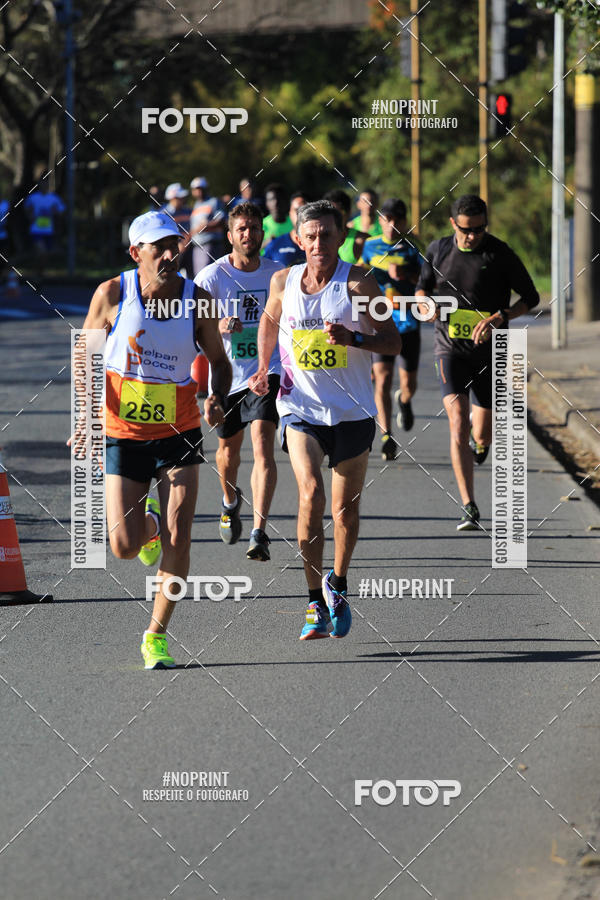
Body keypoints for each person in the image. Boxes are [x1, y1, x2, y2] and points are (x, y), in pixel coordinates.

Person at [70, 210, 231, 668]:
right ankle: (149, 529)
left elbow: (219, 361)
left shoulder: (197, 302)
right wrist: (86, 418)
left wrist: (216, 395)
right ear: (134, 252)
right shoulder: (112, 294)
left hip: (179, 430)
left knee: (182, 536)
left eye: (174, 244)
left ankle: (156, 635)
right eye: (157, 246)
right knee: (122, 546)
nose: (168, 253)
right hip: (123, 431)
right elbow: (85, 357)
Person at [249, 200, 402, 640]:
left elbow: (391, 341)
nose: (318, 244)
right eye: (310, 236)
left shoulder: (358, 282)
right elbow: (269, 321)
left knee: (344, 511)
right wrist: (265, 369)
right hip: (300, 407)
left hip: (352, 411)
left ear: (340, 237)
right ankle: (314, 599)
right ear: (298, 239)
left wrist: (353, 337)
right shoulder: (283, 280)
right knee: (310, 493)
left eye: (327, 236)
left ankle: (338, 582)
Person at [415, 194, 539, 531]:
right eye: (468, 230)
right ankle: (468, 504)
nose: (474, 236)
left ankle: (480, 445)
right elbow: (421, 291)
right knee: (458, 421)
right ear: (454, 223)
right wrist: (427, 307)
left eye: (481, 229)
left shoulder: (499, 253)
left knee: (482, 431)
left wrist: (502, 316)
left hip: (490, 352)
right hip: (449, 348)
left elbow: (531, 297)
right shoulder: (438, 250)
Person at [196, 202, 283, 561]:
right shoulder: (211, 279)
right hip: (226, 376)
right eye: (242, 229)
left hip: (266, 372)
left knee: (263, 443)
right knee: (228, 454)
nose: (249, 234)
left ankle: (259, 532)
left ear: (263, 233)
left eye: (255, 228)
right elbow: (194, 330)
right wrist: (218, 326)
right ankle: (230, 501)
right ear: (230, 236)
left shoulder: (280, 275)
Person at [359, 198, 422, 459]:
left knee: (409, 383)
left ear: (404, 222)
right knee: (382, 378)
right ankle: (386, 434)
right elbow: (360, 274)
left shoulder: (412, 249)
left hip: (408, 323)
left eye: (397, 220)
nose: (392, 225)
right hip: (381, 322)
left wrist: (405, 274)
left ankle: (404, 400)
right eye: (387, 219)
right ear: (380, 221)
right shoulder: (370, 246)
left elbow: (425, 281)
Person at [189, 177, 226, 276]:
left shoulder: (214, 202)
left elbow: (222, 220)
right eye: (196, 189)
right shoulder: (196, 205)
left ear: (206, 189)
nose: (198, 191)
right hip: (197, 247)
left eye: (201, 188)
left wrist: (206, 226)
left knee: (211, 276)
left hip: (211, 245)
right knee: (200, 277)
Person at [262, 191, 308, 267]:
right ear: (290, 213)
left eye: (304, 210)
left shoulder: (323, 245)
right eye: (297, 210)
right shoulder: (274, 245)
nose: (300, 215)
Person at [323, 189, 368, 264]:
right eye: (328, 212)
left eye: (337, 212)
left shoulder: (362, 241)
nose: (332, 217)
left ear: (348, 212)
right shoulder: (317, 240)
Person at [261, 183, 291, 249]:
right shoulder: (260, 225)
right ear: (266, 203)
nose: (276, 202)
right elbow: (251, 251)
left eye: (279, 198)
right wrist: (265, 243)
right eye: (271, 199)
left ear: (285, 201)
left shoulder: (294, 223)